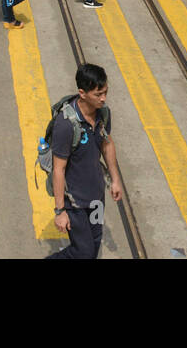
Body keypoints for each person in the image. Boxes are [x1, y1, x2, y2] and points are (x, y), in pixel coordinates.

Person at [47, 63, 124, 259]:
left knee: (94, 246)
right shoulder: (66, 125)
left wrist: (115, 180)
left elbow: (107, 145)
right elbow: (58, 169)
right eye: (98, 94)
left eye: (105, 92)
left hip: (96, 198)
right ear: (82, 93)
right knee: (83, 252)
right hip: (74, 202)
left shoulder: (103, 114)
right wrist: (59, 211)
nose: (103, 98)